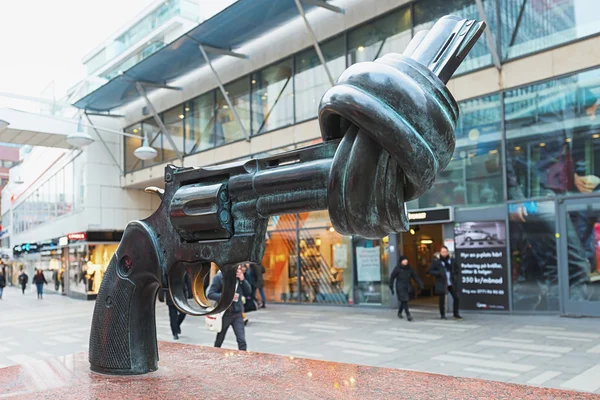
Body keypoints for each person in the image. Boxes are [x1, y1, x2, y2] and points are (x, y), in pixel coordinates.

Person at [207, 265, 252, 351]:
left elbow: (248, 291)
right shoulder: (219, 278)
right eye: (236, 268)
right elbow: (211, 294)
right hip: (224, 313)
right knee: (220, 339)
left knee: (241, 340)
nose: (237, 270)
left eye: (239, 268)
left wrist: (243, 280)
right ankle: (214, 355)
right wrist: (227, 296)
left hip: (237, 314)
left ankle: (243, 360)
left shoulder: (239, 279)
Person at [428, 247, 462, 320]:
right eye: (442, 252)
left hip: (451, 282)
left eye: (445, 252)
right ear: (440, 252)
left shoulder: (451, 260)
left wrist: (454, 273)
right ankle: (442, 314)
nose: (444, 253)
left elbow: (457, 268)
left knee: (456, 297)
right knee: (442, 300)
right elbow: (430, 271)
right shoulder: (436, 261)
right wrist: (438, 273)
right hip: (441, 282)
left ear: (447, 252)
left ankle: (456, 313)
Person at [389, 256, 423, 321]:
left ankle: (399, 312)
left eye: (406, 260)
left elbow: (415, 276)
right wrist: (391, 286)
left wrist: (420, 283)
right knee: (404, 300)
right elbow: (392, 277)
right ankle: (408, 315)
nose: (406, 261)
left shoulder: (409, 268)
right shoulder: (397, 269)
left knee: (404, 300)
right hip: (400, 286)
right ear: (401, 261)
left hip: (407, 286)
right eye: (404, 260)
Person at [158, 273, 191, 340]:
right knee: (173, 315)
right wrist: (161, 295)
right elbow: (163, 284)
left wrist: (190, 293)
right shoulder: (167, 271)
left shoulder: (183, 269)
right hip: (170, 296)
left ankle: (177, 325)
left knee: (183, 312)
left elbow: (188, 281)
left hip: (181, 296)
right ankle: (174, 333)